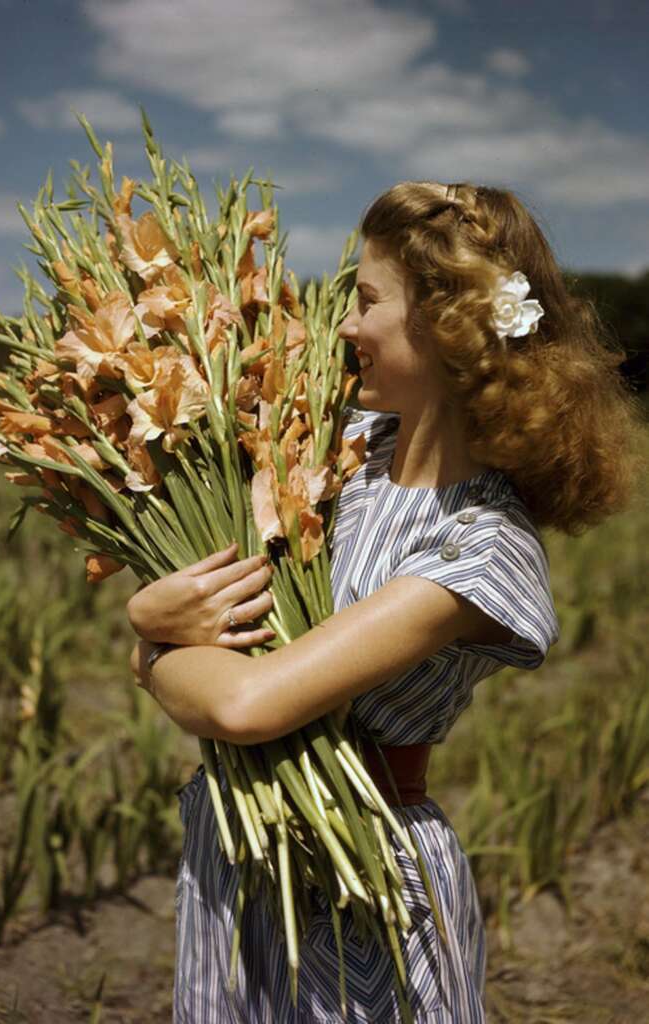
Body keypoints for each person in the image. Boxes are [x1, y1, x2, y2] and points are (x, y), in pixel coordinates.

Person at [126, 181, 643, 1022]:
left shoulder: (481, 550)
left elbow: (249, 702)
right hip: (239, 857)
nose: (344, 327)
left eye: (366, 301)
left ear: (446, 324)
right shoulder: (343, 457)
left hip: (362, 888)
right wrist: (160, 638)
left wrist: (152, 648)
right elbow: (216, 677)